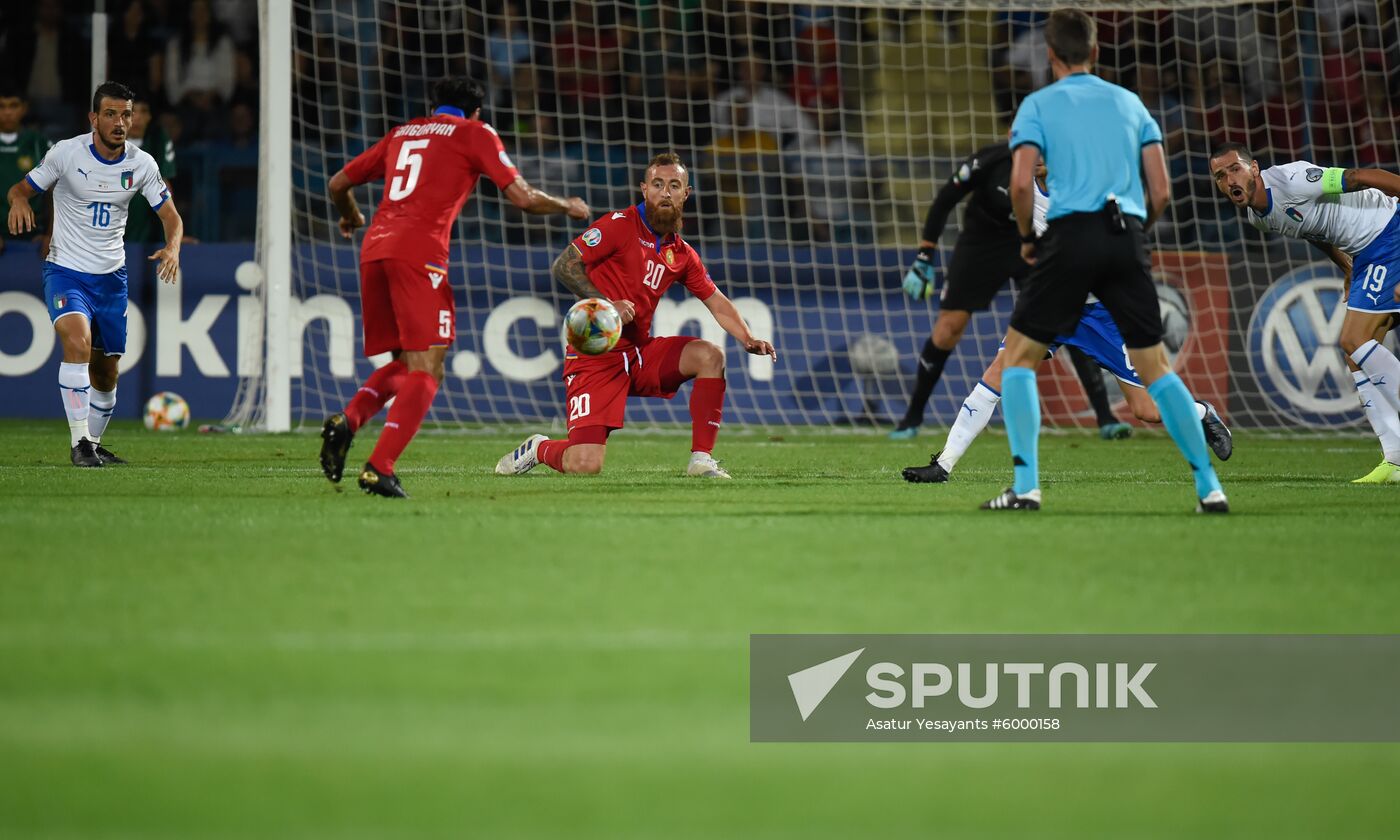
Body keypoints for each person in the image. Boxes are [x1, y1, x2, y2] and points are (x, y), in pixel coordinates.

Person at [986, 9, 1227, 513]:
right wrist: (1138, 233)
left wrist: (1030, 237)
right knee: (1156, 369)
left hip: (1070, 238)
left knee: (1018, 360)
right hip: (1125, 236)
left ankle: (1026, 488)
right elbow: (1160, 188)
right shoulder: (1131, 102)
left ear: (1051, 56)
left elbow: (1020, 183)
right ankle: (1210, 488)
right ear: (1095, 53)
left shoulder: (1037, 105)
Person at [319, 77, 589, 498]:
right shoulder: (474, 133)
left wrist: (351, 216)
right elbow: (522, 197)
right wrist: (565, 205)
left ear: (434, 106)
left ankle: (348, 420)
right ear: (476, 112)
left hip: (374, 249)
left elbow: (338, 185)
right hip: (418, 253)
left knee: (409, 367)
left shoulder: (402, 132)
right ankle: (379, 467)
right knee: (429, 370)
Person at [904, 170, 1233, 483]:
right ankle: (944, 464)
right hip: (1052, 301)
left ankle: (1201, 413)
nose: (1036, 158)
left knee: (1146, 409)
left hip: (1099, 311)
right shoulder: (1021, 190)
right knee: (998, 372)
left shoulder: (1083, 189)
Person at [495, 152, 777, 480]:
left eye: (674, 185)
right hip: (595, 355)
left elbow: (715, 300)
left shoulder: (681, 253)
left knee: (709, 356)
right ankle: (539, 448)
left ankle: (701, 460)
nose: (666, 192)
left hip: (638, 353)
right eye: (658, 184)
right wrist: (606, 303)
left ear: (686, 194)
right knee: (586, 464)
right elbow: (565, 265)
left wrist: (747, 337)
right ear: (644, 189)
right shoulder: (619, 226)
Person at [892, 138, 1129, 441]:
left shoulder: (1057, 175)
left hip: (1030, 244)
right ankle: (912, 416)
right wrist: (925, 254)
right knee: (948, 328)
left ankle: (1105, 416)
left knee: (1066, 309)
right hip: (982, 246)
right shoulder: (991, 161)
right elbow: (945, 198)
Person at [5, 81, 183, 467]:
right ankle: (79, 443)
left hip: (110, 279)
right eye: (110, 114)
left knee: (106, 372)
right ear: (93, 118)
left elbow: (171, 217)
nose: (120, 122)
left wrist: (173, 246)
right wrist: (18, 201)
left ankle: (92, 442)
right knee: (77, 343)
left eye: (126, 115)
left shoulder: (142, 164)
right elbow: (21, 188)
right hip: (65, 270)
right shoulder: (66, 154)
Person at [1209, 142, 1400, 482]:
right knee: (1356, 355)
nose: (1229, 180)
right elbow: (1313, 230)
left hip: (1387, 232)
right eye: (1220, 177)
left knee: (1354, 338)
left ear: (1253, 168)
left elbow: (1359, 177)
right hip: (1367, 252)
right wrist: (1345, 265)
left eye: (1234, 169)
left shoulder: (1293, 180)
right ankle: (1395, 460)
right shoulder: (1258, 219)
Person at [0, 86, 51, 256]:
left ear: (24, 108)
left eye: (13, 106)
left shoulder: (38, 143)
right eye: (2, 106)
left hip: (35, 240)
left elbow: (57, 192)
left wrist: (51, 234)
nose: (7, 112)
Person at [123, 98, 176, 244]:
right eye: (133, 111)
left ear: (149, 117)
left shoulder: (158, 140)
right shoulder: (108, 143)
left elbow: (165, 184)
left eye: (143, 111)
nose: (138, 117)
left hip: (147, 237)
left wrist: (174, 235)